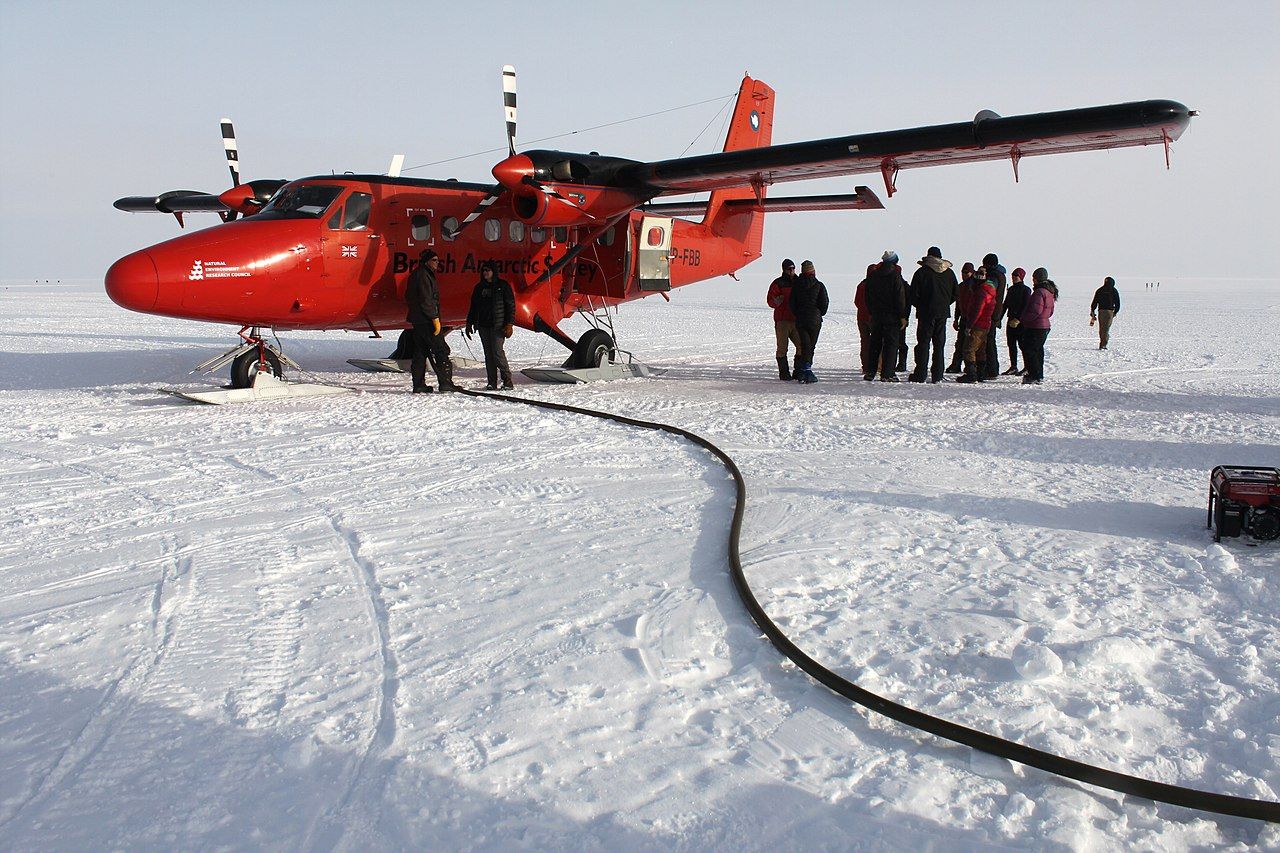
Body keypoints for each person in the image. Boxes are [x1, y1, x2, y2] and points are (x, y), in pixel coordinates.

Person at [405, 249, 457, 393]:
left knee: (420, 352)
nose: (437, 263)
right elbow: (426, 299)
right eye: (434, 260)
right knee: (441, 350)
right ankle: (446, 383)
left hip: (418, 320)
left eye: (437, 260)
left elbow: (410, 296)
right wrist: (434, 317)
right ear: (427, 261)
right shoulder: (423, 275)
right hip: (427, 320)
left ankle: (418, 384)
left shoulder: (418, 274)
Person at [908, 246, 958, 383]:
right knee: (939, 344)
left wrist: (922, 305)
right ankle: (937, 375)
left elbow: (913, 295)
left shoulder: (921, 272)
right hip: (942, 313)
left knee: (923, 343)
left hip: (926, 313)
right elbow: (955, 293)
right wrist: (944, 303)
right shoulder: (949, 273)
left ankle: (920, 374)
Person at [465, 261, 516, 390]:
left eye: (488, 270)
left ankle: (507, 380)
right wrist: (469, 323)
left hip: (498, 325)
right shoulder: (479, 288)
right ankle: (491, 382)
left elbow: (510, 306)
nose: (485, 273)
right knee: (489, 355)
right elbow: (473, 307)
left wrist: (509, 323)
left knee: (497, 353)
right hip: (483, 325)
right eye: (483, 270)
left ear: (494, 272)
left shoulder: (503, 286)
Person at [864, 251, 909, 382]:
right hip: (892, 317)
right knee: (891, 344)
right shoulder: (895, 276)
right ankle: (887, 373)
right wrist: (902, 315)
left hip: (877, 316)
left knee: (875, 344)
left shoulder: (873, 275)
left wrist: (872, 311)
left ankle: (870, 372)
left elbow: (867, 295)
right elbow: (900, 297)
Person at [789, 260, 828, 383]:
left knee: (804, 345)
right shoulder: (819, 285)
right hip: (814, 320)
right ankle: (807, 370)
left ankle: (803, 370)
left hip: (801, 320)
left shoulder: (796, 285)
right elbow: (824, 303)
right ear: (813, 271)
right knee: (810, 346)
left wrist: (798, 313)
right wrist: (819, 313)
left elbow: (792, 303)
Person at [956, 266, 996, 383]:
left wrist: (969, 325)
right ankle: (980, 374)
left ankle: (971, 374)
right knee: (980, 349)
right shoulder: (990, 289)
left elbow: (976, 310)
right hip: (986, 323)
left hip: (978, 324)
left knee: (969, 349)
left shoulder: (981, 292)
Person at [1019, 267, 1056, 384]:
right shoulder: (1049, 291)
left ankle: (1034, 375)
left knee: (1030, 350)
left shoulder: (1039, 292)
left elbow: (1035, 310)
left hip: (1036, 326)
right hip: (1044, 325)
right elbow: (1050, 311)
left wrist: (1024, 319)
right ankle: (1038, 374)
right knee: (1038, 350)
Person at [767, 259, 801, 380]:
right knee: (782, 348)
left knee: (801, 346)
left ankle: (798, 371)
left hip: (796, 320)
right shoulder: (778, 283)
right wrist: (776, 301)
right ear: (784, 269)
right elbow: (770, 301)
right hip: (782, 321)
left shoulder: (799, 282)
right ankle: (784, 373)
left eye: (793, 268)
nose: (791, 271)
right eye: (789, 269)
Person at [981, 252, 1007, 378]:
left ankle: (991, 369)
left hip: (990, 312)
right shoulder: (1001, 275)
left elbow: (988, 292)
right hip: (996, 311)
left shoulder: (993, 276)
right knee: (990, 340)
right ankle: (992, 368)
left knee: (988, 341)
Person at [1000, 267, 1031, 375]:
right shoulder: (1012, 289)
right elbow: (1005, 304)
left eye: (1016, 275)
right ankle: (1013, 366)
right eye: (1013, 275)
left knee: (1023, 345)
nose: (1013, 277)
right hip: (1010, 320)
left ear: (1021, 277)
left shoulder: (1026, 290)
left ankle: (1027, 367)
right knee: (1011, 344)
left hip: (1021, 322)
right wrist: (999, 318)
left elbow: (1026, 306)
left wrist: (1018, 319)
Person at [947, 262, 975, 373]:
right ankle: (956, 365)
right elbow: (958, 304)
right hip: (963, 317)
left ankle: (970, 367)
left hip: (971, 319)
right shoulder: (961, 286)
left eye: (966, 272)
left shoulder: (974, 286)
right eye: (962, 272)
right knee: (960, 343)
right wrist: (956, 318)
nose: (963, 275)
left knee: (969, 344)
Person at [854, 264, 876, 379]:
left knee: (865, 342)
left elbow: (856, 301)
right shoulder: (876, 285)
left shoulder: (861, 285)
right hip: (873, 318)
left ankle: (866, 366)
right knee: (877, 342)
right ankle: (877, 366)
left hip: (861, 317)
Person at [1090, 276, 1121, 349]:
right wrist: (1115, 312)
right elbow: (1117, 303)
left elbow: (1094, 302)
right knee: (1106, 328)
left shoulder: (1100, 290)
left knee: (1102, 328)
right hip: (1109, 312)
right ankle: (1103, 344)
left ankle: (1102, 342)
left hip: (1101, 311)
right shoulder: (1114, 290)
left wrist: (1092, 310)